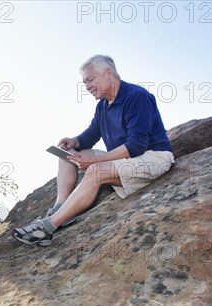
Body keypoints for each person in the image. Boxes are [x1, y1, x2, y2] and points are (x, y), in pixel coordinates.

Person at [12, 55, 175, 246]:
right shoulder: (103, 106)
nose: (87, 86)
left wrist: (98, 161)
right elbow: (91, 135)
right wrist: (73, 141)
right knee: (68, 153)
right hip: (123, 161)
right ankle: (61, 207)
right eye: (84, 83)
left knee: (96, 171)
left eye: (90, 80)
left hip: (152, 158)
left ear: (108, 73)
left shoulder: (137, 97)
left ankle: (46, 228)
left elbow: (136, 145)